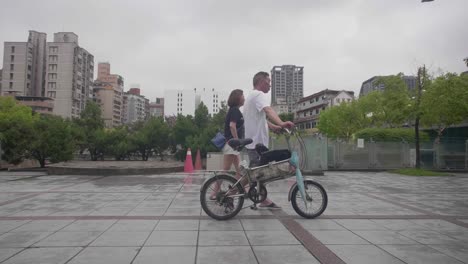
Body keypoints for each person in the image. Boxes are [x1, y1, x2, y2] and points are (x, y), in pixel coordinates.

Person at [243, 71, 295, 209]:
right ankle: (230, 194)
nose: (270, 85)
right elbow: (268, 111)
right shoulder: (258, 95)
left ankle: (263, 199)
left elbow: (260, 119)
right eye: (269, 82)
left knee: (260, 173)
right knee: (254, 174)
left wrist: (274, 127)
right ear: (261, 82)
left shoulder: (251, 96)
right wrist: (282, 122)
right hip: (256, 143)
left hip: (255, 143)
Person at [210, 89, 245, 199]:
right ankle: (214, 192)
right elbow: (232, 125)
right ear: (238, 98)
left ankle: (237, 190)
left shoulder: (234, 110)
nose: (244, 98)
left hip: (232, 145)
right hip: (232, 144)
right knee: (225, 169)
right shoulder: (235, 110)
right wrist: (237, 141)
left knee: (239, 170)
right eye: (243, 96)